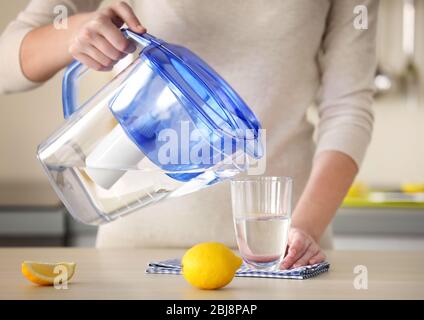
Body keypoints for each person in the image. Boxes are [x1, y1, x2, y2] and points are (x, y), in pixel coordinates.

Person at [0, 0, 378, 269]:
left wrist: (303, 231)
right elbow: (6, 63)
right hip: (133, 256)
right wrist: (75, 30)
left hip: (280, 255)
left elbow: (348, 107)